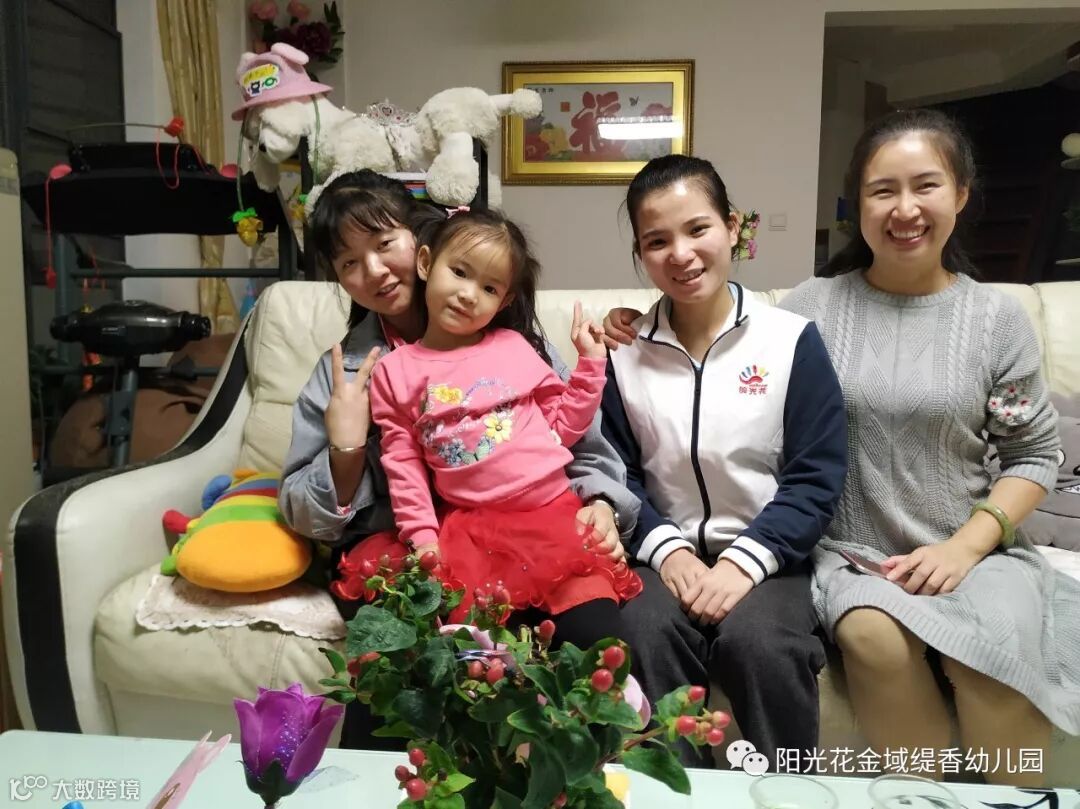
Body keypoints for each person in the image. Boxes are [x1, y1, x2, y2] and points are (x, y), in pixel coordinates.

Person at [279, 170, 639, 746]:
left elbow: (575, 441)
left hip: (537, 529)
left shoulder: (509, 340)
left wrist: (600, 504)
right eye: (349, 263)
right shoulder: (347, 370)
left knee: (592, 639)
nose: (374, 270)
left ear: (421, 245)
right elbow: (302, 510)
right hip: (425, 545)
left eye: (384, 244)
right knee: (400, 661)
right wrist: (346, 447)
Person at [599, 154, 848, 769]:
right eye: (657, 241)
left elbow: (816, 475)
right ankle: (670, 790)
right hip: (660, 556)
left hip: (771, 556)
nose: (681, 254)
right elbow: (616, 471)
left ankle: (784, 793)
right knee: (640, 632)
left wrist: (745, 561)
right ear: (640, 252)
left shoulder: (791, 340)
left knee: (762, 644)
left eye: (698, 229)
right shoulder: (622, 353)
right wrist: (668, 551)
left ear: (732, 226)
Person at [344, 206, 642, 629]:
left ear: (504, 301)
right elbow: (403, 467)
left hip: (553, 517)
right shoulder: (394, 371)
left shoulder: (515, 347)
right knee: (485, 651)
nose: (469, 294)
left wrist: (591, 364)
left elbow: (563, 430)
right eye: (459, 272)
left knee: (596, 632)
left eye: (488, 288)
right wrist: (423, 539)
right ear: (426, 263)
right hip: (472, 536)